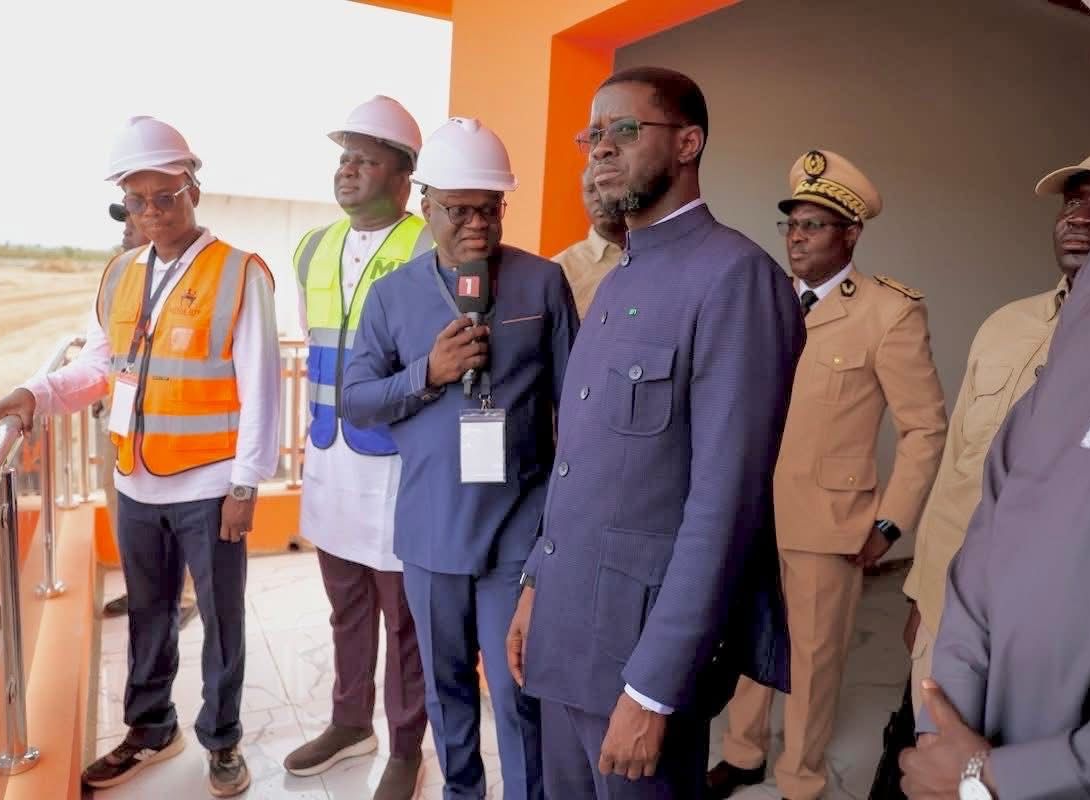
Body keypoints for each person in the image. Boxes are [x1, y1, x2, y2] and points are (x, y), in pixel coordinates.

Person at [507, 65, 803, 799]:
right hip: (566, 631)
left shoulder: (735, 278)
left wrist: (654, 688)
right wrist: (536, 585)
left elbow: (725, 506)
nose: (601, 148)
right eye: (592, 135)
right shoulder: (618, 278)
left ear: (688, 143)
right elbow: (581, 462)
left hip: (635, 656)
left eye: (625, 129)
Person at [0, 116, 280, 797]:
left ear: (193, 189)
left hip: (210, 487)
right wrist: (37, 393)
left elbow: (262, 387)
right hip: (138, 483)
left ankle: (223, 740)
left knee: (223, 621)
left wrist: (245, 485)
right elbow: (99, 365)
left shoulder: (239, 272)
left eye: (165, 196)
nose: (152, 212)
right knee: (148, 613)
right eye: (137, 200)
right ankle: (150, 729)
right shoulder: (121, 272)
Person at [899, 2, 1090, 796]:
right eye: (1075, 199)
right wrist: (924, 595)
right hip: (966, 656)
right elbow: (978, 480)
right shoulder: (1018, 321)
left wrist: (997, 779)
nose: (1084, 217)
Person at [341, 116, 579, 800]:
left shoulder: (542, 283)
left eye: (490, 209)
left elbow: (576, 405)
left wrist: (559, 526)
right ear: (427, 205)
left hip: (517, 529)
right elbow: (356, 401)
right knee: (446, 693)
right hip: (433, 530)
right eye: (459, 210)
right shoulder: (391, 295)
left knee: (518, 690)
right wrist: (427, 374)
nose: (477, 225)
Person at [711, 150, 947, 800]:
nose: (797, 237)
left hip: (829, 520)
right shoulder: (766, 300)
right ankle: (743, 753)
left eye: (813, 225)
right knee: (746, 642)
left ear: (851, 234)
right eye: (791, 224)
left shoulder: (887, 312)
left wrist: (890, 521)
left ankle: (801, 777)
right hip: (753, 511)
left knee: (813, 659)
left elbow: (925, 427)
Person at [282, 97, 433, 800]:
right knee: (345, 604)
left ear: (402, 178)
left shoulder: (428, 246)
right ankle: (350, 722)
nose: (347, 170)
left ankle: (405, 745)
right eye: (344, 158)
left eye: (365, 160)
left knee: (403, 617)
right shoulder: (313, 246)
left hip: (398, 460)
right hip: (330, 456)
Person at [99, 201, 198, 631]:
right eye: (126, 214)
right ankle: (140, 587)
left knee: (175, 513)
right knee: (122, 508)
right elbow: (103, 347)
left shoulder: (194, 274)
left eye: (133, 216)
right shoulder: (119, 274)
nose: (127, 226)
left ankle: (184, 595)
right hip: (120, 420)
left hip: (172, 422)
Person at [552, 164, 627, 319]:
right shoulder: (560, 270)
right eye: (590, 190)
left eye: (605, 185)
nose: (597, 198)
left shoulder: (661, 256)